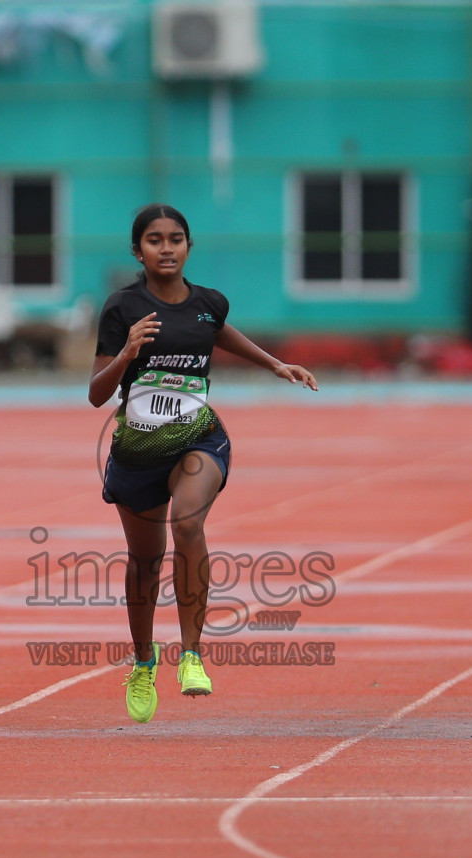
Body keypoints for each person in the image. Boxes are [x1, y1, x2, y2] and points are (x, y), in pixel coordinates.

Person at [89, 204, 318, 724]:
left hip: (198, 437)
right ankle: (144, 662)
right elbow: (96, 395)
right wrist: (126, 355)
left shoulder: (208, 303)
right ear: (137, 250)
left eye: (175, 239)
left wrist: (275, 364)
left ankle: (191, 654)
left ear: (189, 246)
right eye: (154, 240)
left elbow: (218, 331)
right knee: (144, 563)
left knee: (188, 522)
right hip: (137, 450)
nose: (166, 248)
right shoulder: (122, 308)